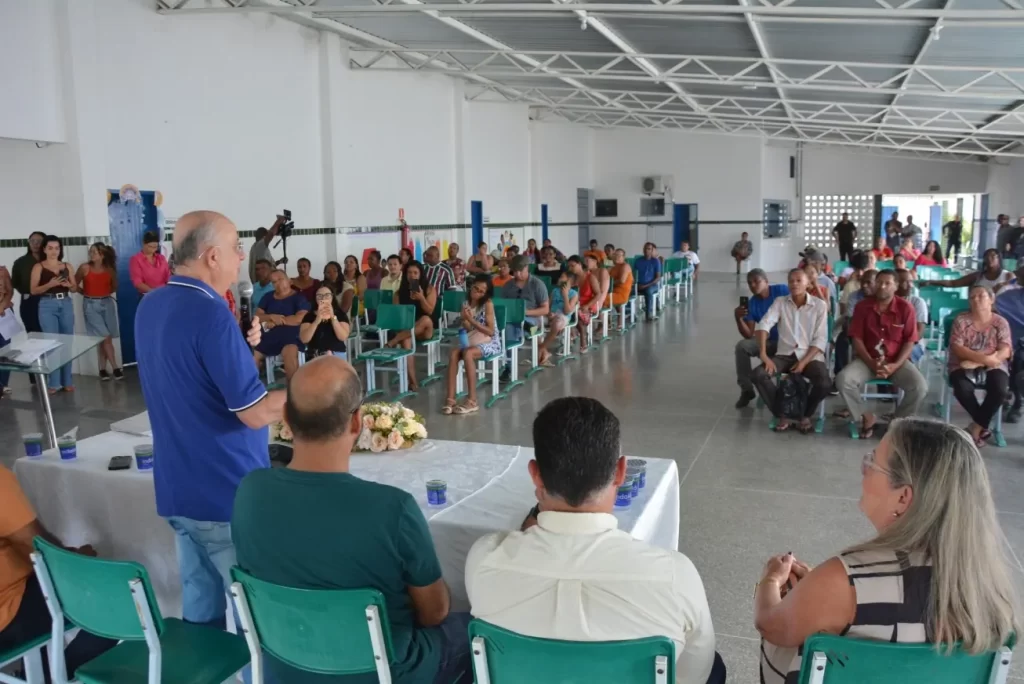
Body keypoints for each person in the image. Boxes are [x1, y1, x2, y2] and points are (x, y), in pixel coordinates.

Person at [233, 356, 472, 684]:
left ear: (285, 417)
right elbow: (434, 613)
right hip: (383, 673)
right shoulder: (393, 509)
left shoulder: (250, 492)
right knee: (477, 630)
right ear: (358, 422)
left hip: (282, 666)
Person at [466, 397, 723, 684]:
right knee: (714, 666)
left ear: (535, 475)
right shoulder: (675, 575)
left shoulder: (484, 558)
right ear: (621, 472)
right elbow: (694, 675)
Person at [757, 418, 1018, 684]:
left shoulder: (847, 581)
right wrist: (818, 590)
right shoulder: (991, 591)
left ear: (903, 497)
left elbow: (771, 625)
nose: (864, 469)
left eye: (872, 462)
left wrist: (771, 580)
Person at [136, 210, 283, 638]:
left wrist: (237, 345)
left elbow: (193, 377)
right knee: (257, 624)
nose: (241, 257)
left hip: (179, 487)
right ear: (212, 256)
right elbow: (253, 412)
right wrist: (318, 395)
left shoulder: (151, 305)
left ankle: (204, 668)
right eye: (236, 248)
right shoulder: (211, 315)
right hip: (225, 491)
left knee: (201, 616)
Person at [0, 464, 117, 677]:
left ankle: (36, 674)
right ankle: (52, 677)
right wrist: (75, 560)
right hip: (8, 612)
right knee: (114, 601)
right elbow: (35, 544)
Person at [836, 270, 927, 438]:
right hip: (867, 360)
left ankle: (898, 422)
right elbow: (857, 339)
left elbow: (910, 341)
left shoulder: (905, 308)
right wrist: (871, 362)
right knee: (843, 380)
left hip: (896, 361)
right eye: (879, 282)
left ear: (896, 286)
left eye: (887, 283)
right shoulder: (862, 307)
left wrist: (895, 365)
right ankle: (866, 416)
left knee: (920, 387)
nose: (882, 286)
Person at [751, 269, 830, 433]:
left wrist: (803, 362)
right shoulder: (780, 302)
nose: (794, 284)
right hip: (784, 355)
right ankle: (782, 413)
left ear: (808, 283)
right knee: (758, 375)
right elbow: (764, 324)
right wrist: (763, 354)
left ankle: (805, 414)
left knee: (824, 383)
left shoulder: (819, 305)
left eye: (799, 280)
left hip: (810, 356)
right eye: (791, 280)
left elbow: (820, 339)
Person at [947, 285, 1012, 447]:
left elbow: (1005, 350)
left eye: (981, 296)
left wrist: (987, 361)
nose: (976, 299)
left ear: (991, 299)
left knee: (1000, 389)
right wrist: (983, 359)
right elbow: (957, 348)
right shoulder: (961, 321)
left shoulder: (1000, 322)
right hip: (963, 362)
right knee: (962, 388)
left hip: (994, 363)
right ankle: (983, 426)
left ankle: (975, 428)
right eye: (972, 297)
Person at [442, 276, 501, 415]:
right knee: (454, 353)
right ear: (471, 286)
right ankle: (450, 399)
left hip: (490, 342)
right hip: (473, 340)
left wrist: (470, 320)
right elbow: (469, 329)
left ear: (486, 293)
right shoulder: (465, 303)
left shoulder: (487, 304)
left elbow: (490, 331)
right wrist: (464, 320)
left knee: (468, 353)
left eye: (481, 291)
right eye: (476, 288)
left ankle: (472, 400)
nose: (477, 292)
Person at [735, 269, 789, 409]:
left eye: (756, 281)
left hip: (788, 341)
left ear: (766, 281)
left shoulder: (781, 290)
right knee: (742, 346)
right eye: (749, 283)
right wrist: (738, 319)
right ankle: (747, 389)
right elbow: (748, 334)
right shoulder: (752, 303)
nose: (753, 285)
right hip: (768, 342)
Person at [31, 235, 77, 393]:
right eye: (50, 248)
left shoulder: (67, 266)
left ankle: (67, 381)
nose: (53, 251)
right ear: (44, 249)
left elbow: (74, 289)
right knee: (51, 343)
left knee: (67, 342)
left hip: (65, 303)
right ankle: (54, 383)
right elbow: (33, 290)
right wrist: (50, 284)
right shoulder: (38, 267)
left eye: (56, 248)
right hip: (47, 304)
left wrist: (69, 284)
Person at [386, 260, 437, 390]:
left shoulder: (429, 289)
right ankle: (413, 381)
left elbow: (430, 311)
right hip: (407, 328)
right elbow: (397, 316)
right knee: (406, 340)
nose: (412, 275)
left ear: (420, 274)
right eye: (409, 272)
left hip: (425, 330)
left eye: (415, 273)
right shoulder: (399, 293)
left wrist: (421, 298)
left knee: (425, 319)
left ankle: (394, 340)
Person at [76, 242, 123, 380]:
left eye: (94, 252)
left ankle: (102, 369)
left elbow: (114, 286)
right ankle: (115, 368)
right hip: (90, 305)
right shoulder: (84, 268)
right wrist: (85, 293)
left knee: (103, 338)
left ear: (102, 255)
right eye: (90, 251)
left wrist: (102, 293)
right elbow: (74, 283)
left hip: (107, 303)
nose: (91, 254)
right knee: (105, 337)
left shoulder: (110, 270)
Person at [499, 256, 550, 381]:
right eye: (515, 271)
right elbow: (502, 305)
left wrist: (525, 312)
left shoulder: (537, 284)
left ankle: (509, 367)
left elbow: (545, 309)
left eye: (520, 271)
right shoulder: (508, 286)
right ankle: (523, 335)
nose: (517, 274)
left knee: (512, 329)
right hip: (511, 318)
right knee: (508, 327)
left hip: (532, 318)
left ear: (527, 268)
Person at [254, 269, 310, 381]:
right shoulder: (268, 297)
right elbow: (257, 316)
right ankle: (252, 388)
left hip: (291, 337)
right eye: (274, 282)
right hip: (269, 336)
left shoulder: (299, 297)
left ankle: (292, 388)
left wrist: (278, 321)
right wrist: (271, 316)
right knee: (251, 357)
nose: (278, 283)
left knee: (289, 354)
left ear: (289, 281)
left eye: (280, 279)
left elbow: (300, 317)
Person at [994, 261, 1024, 423]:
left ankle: (1016, 399)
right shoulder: (1008, 295)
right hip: (1013, 342)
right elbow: (992, 309)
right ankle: (1017, 400)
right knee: (1015, 355)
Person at [920, 249, 1014, 293]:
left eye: (993, 256)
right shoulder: (978, 276)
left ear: (999, 258)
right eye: (987, 256)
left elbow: (1016, 289)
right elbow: (953, 283)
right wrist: (931, 282)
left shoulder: (1008, 275)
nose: (989, 258)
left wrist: (1003, 284)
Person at [298, 284, 351, 362]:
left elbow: (343, 336)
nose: (323, 298)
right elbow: (304, 339)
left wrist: (332, 317)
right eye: (319, 296)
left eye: (327, 295)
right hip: (315, 355)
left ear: (332, 297)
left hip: (336, 353)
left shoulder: (340, 314)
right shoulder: (309, 316)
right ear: (315, 299)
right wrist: (316, 321)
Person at [538, 270, 579, 367]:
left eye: (562, 277)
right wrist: (549, 314)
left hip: (563, 316)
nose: (559, 279)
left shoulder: (573, 294)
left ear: (569, 282)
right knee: (534, 323)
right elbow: (548, 306)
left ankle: (542, 347)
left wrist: (565, 296)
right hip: (551, 315)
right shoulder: (555, 291)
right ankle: (544, 351)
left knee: (557, 324)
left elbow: (567, 311)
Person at [12, 231, 46, 339]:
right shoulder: (20, 262)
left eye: (39, 241)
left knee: (50, 334)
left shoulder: (51, 261)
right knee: (34, 335)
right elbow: (15, 283)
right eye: (32, 241)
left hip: (48, 300)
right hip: (29, 301)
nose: (35, 244)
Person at [895, 269, 928, 365]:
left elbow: (919, 334)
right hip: (890, 343)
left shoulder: (917, 302)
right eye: (905, 282)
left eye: (911, 281)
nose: (910, 285)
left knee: (901, 359)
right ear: (895, 284)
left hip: (914, 345)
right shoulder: (886, 302)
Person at [247, 215, 288, 282]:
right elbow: (271, 234)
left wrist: (280, 261)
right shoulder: (261, 245)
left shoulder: (254, 248)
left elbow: (266, 267)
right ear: (264, 236)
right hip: (264, 284)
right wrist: (279, 221)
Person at [129, 231, 171, 295]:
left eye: (155, 247)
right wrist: (153, 292)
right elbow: (138, 282)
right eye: (150, 246)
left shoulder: (161, 258)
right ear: (144, 244)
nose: (153, 249)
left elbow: (168, 276)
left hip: (163, 293)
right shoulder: (136, 260)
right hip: (147, 295)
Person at [634, 242, 662, 322]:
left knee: (648, 291)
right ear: (643, 250)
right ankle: (629, 313)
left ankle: (648, 314)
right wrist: (636, 284)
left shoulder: (656, 261)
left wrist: (645, 286)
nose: (647, 250)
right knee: (627, 290)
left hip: (652, 285)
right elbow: (634, 275)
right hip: (639, 285)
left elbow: (658, 277)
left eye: (649, 249)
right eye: (645, 248)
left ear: (652, 250)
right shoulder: (638, 261)